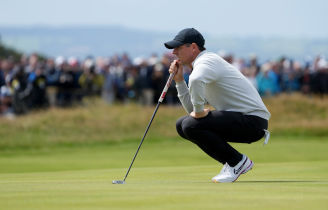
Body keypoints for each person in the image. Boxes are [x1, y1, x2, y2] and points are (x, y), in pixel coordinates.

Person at [164, 28, 271, 183]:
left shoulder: (207, 60)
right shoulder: (201, 65)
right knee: (182, 125)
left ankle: (237, 162)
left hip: (253, 121)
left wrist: (199, 112)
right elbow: (192, 112)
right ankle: (232, 162)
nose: (174, 52)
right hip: (241, 119)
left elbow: (195, 82)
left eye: (178, 48)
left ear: (193, 47)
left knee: (189, 124)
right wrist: (180, 81)